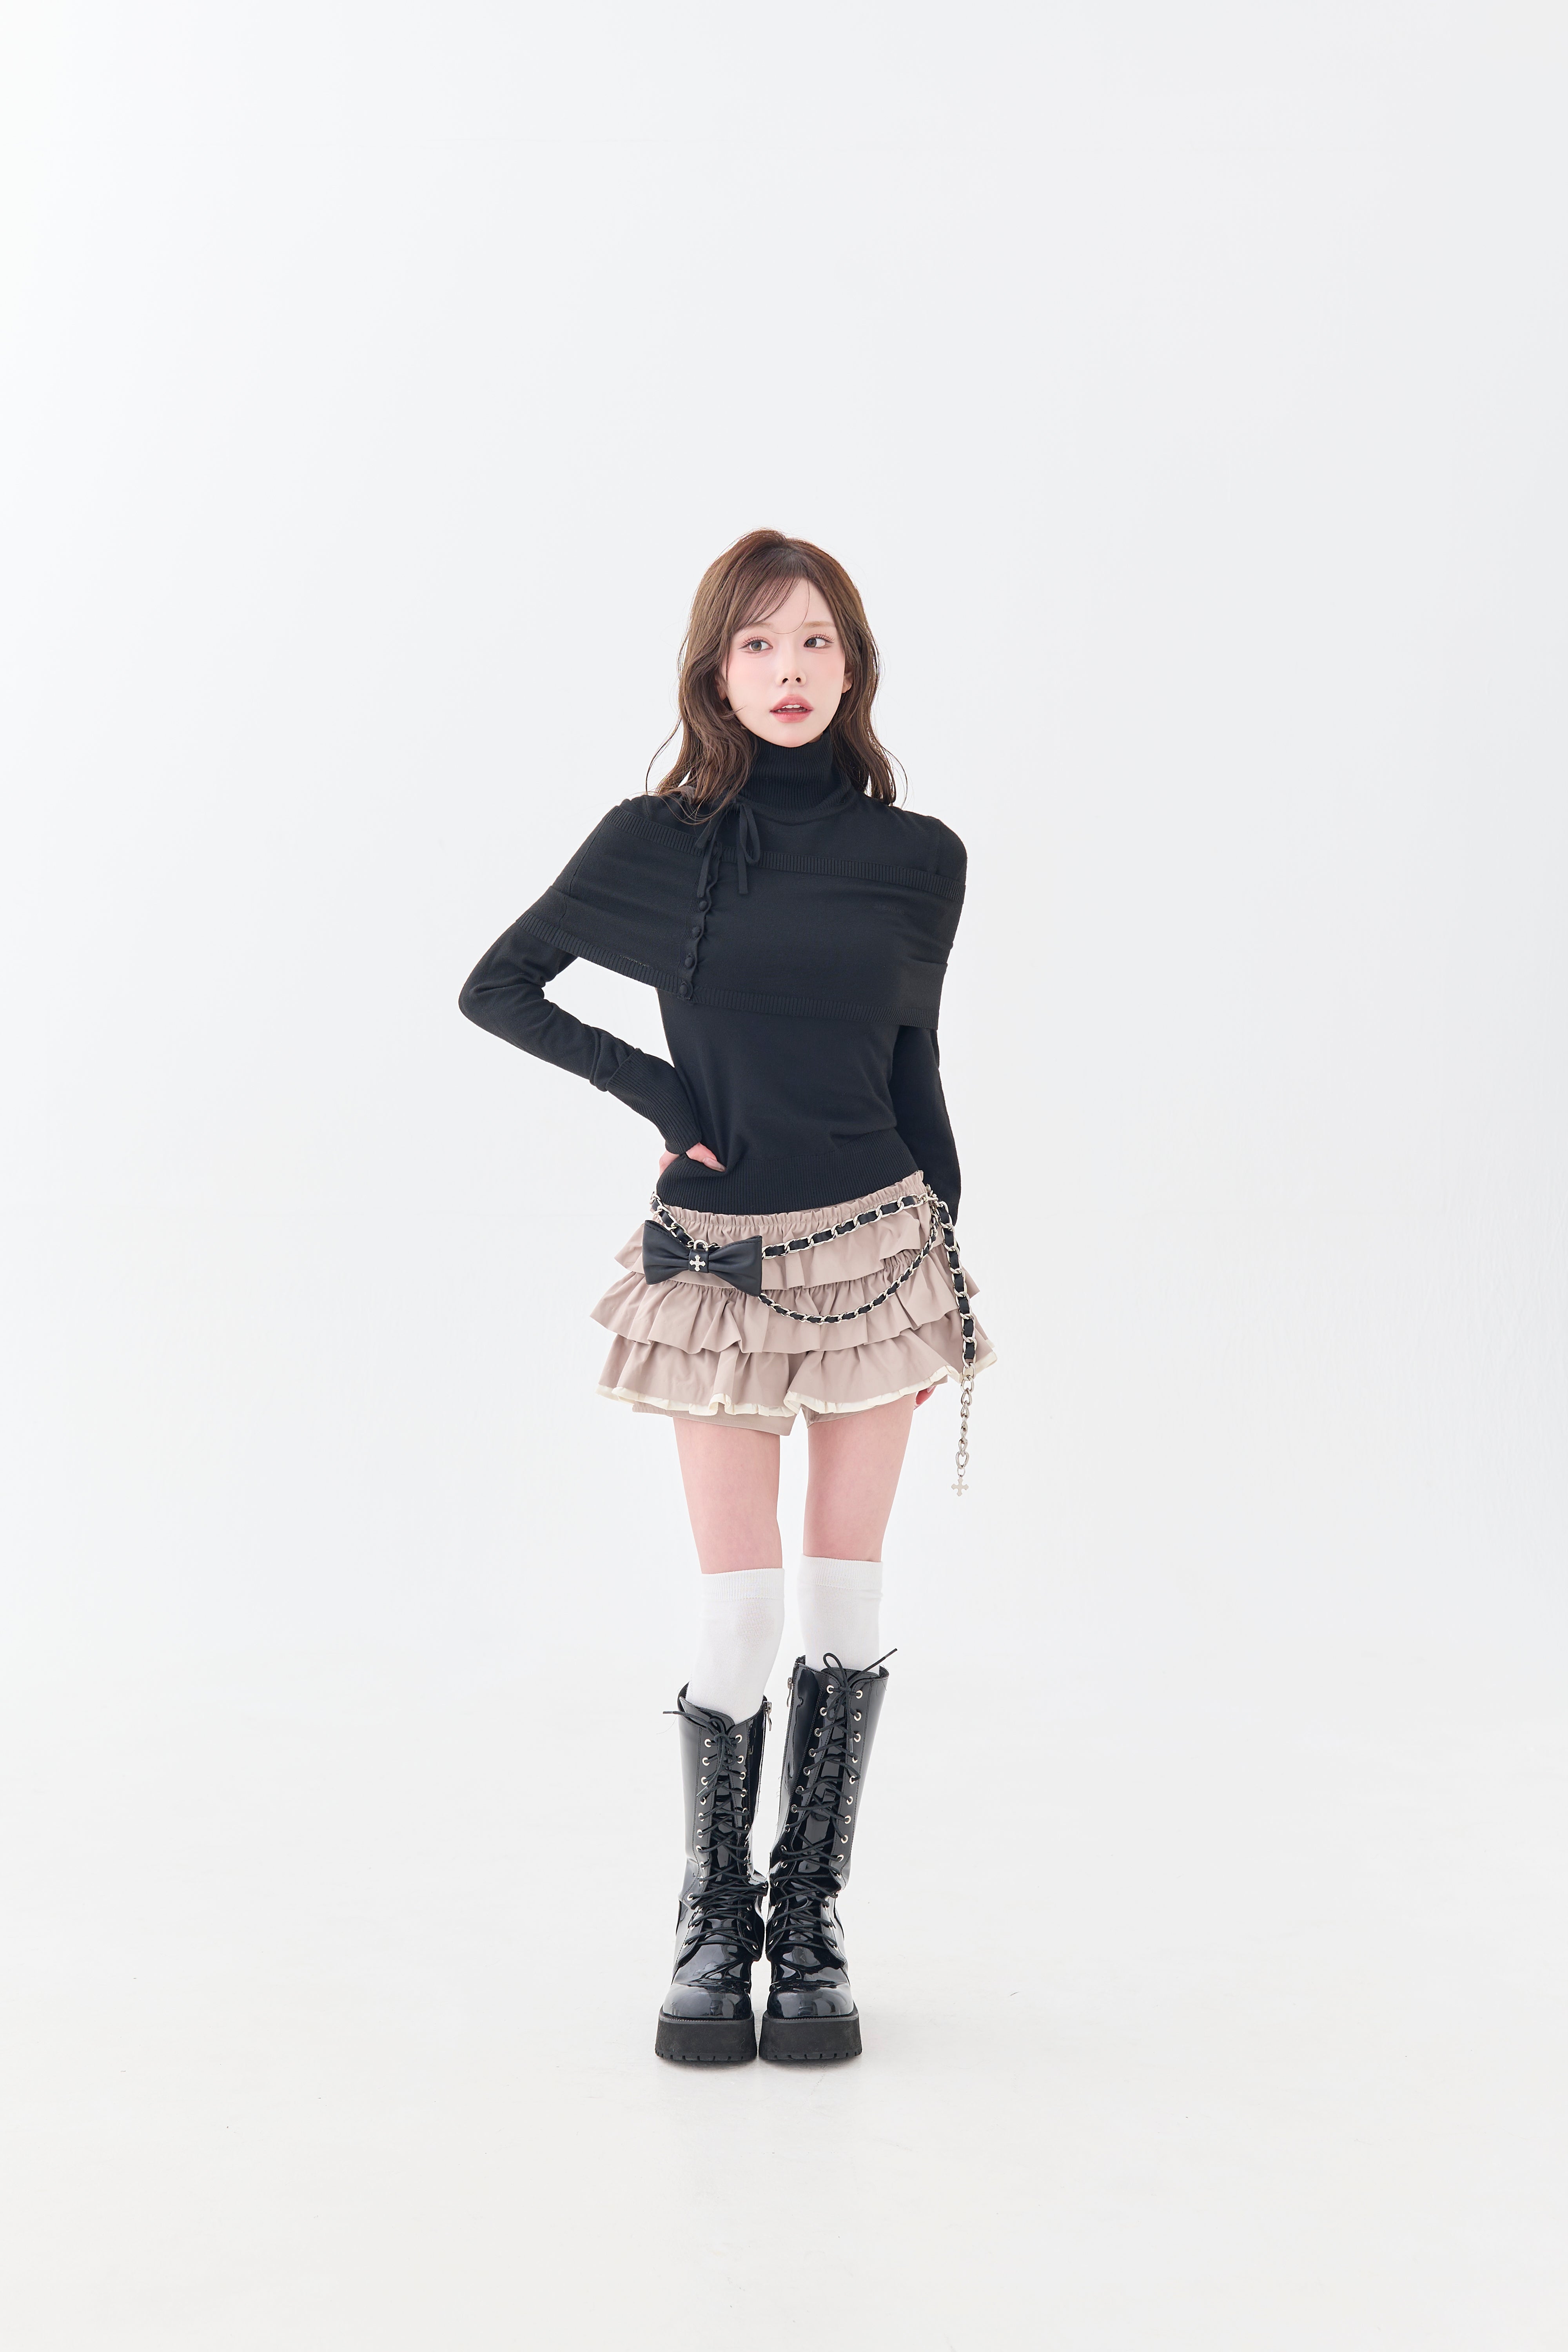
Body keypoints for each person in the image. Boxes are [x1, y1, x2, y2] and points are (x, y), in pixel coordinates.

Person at [459, 529, 995, 2064]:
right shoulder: (658, 842)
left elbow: (914, 1066)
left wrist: (943, 1257)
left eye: (816, 640)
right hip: (718, 1259)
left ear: (855, 664)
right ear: (715, 668)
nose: (789, 669)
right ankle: (714, 1919)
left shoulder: (920, 858)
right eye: (759, 643)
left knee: (844, 1600)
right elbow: (498, 986)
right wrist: (660, 1096)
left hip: (882, 1248)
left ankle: (808, 1920)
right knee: (742, 1609)